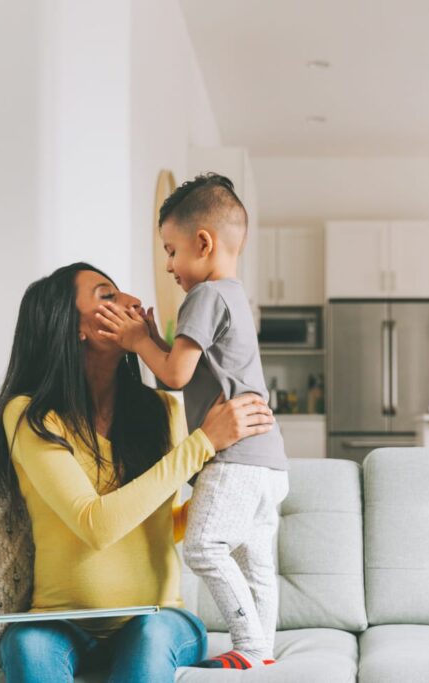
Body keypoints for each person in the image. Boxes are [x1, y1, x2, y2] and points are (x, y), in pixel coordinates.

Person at [0, 262, 275, 683]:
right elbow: (96, 525)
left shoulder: (163, 411)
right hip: (59, 623)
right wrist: (204, 442)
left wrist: (230, 492)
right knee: (27, 643)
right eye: (107, 296)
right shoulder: (31, 416)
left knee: (152, 636)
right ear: (73, 327)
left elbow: (163, 523)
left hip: (158, 618)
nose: (133, 302)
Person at [95, 174, 289, 670]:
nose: (168, 265)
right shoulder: (233, 296)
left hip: (235, 456)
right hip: (270, 461)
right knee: (256, 561)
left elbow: (176, 376)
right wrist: (154, 343)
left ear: (203, 243)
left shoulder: (203, 297)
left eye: (171, 250)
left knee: (204, 547)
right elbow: (175, 381)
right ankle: (263, 651)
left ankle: (247, 646)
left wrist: (141, 341)